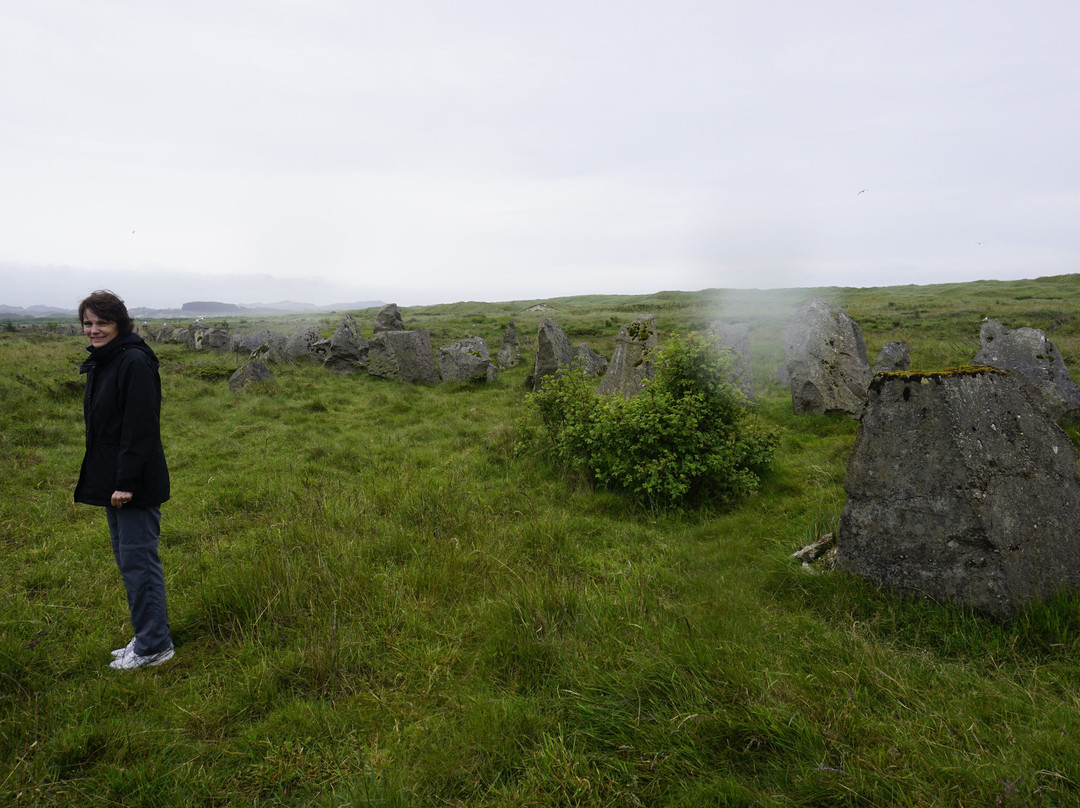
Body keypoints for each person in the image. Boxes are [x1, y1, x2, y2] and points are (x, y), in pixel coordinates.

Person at [75, 290, 175, 669]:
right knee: (128, 559)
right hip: (115, 481)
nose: (94, 330)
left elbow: (140, 427)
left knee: (138, 561)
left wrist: (126, 483)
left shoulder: (132, 361)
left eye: (102, 322)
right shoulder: (107, 359)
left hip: (132, 485)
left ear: (120, 323)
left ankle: (154, 647)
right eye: (88, 323)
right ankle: (149, 635)